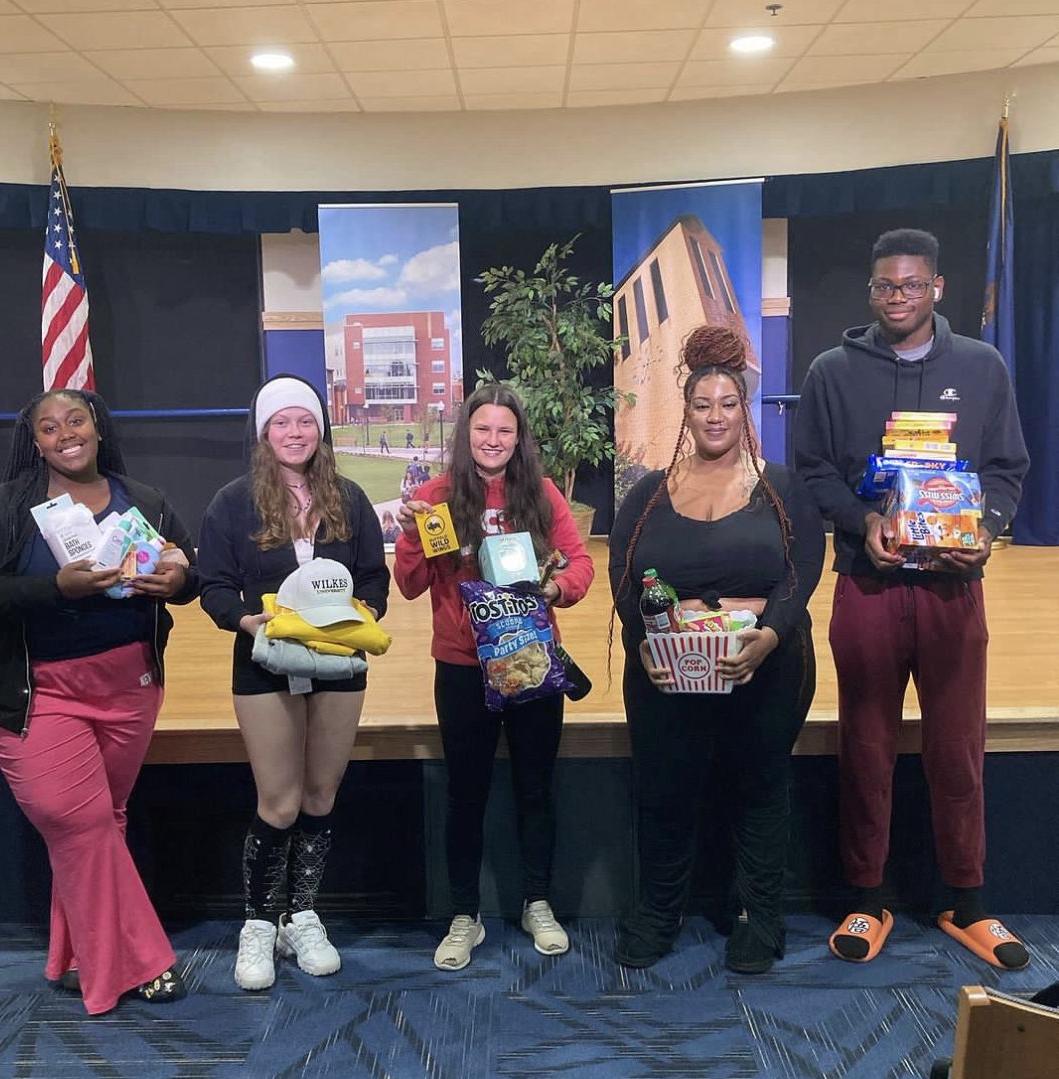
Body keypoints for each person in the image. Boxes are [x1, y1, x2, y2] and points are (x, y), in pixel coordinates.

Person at [794, 228, 1031, 969]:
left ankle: (968, 899)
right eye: (885, 286)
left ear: (937, 290)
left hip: (953, 588)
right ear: (871, 292)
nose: (898, 297)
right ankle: (866, 897)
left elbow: (1005, 471)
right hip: (868, 584)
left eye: (911, 285)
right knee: (865, 744)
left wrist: (985, 530)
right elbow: (812, 472)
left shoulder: (982, 367)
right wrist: (865, 522)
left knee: (958, 745)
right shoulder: (833, 370)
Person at [0, 388, 198, 1015]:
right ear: (33, 440)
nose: (66, 433)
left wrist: (178, 580)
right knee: (78, 820)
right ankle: (145, 959)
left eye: (77, 419)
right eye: (49, 426)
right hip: (38, 695)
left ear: (97, 427)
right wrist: (55, 587)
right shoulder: (5, 508)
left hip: (128, 688)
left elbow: (184, 572)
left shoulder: (142, 500)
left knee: (95, 824)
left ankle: (76, 954)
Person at [608, 326, 825, 973]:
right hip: (667, 677)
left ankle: (759, 917)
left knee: (758, 789)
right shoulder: (647, 494)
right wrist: (641, 640)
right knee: (665, 791)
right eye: (702, 405)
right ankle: (658, 911)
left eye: (727, 404)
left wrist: (773, 633)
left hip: (763, 669)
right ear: (687, 409)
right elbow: (625, 576)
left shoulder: (779, 487)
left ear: (744, 408)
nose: (715, 416)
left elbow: (803, 569)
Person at [198, 375, 389, 988]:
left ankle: (301, 914)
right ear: (263, 433)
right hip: (264, 664)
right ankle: (258, 924)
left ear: (320, 428)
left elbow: (374, 579)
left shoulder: (350, 498)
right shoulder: (231, 503)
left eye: (304, 421)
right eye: (281, 422)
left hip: (339, 666)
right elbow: (215, 587)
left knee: (319, 797)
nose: (295, 432)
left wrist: (364, 615)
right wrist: (247, 622)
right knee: (278, 802)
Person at [394, 383, 594, 970]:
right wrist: (410, 535)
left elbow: (579, 563)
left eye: (505, 431)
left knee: (535, 789)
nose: (493, 440)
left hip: (532, 663)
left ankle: (537, 901)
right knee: (466, 793)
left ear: (518, 438)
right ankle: (464, 914)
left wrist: (555, 588)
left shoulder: (542, 494)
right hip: (461, 668)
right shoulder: (434, 497)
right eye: (483, 429)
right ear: (467, 434)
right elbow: (408, 585)